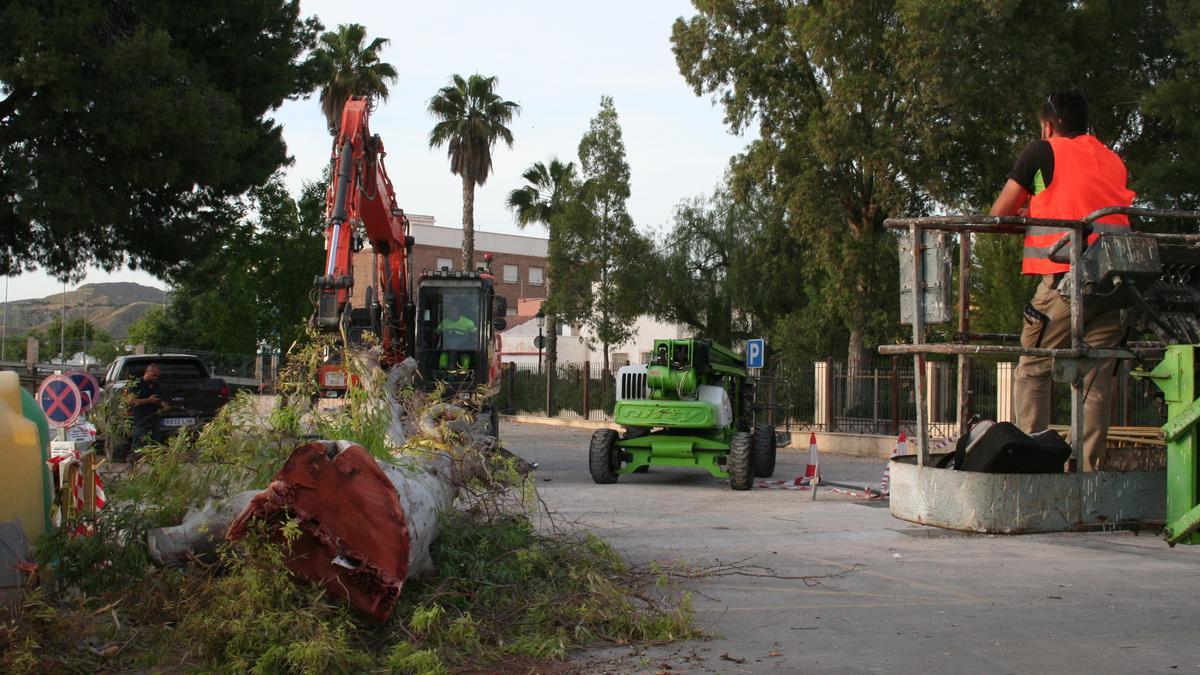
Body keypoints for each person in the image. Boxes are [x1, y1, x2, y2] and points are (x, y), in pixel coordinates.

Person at [989, 91, 1135, 471]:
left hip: (1065, 281)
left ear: (1048, 124)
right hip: (1118, 283)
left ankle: (1029, 469)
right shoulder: (1111, 158)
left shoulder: (1042, 152)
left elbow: (1000, 213)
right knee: (1095, 381)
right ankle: (1086, 474)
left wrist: (1031, 208)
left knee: (1034, 368)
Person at [128, 362, 165, 460]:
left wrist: (162, 408)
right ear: (147, 372)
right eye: (153, 375)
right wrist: (148, 400)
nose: (155, 378)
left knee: (155, 447)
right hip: (142, 420)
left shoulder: (157, 386)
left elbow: (160, 400)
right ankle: (133, 469)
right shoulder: (136, 384)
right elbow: (131, 401)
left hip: (155, 421)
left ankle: (154, 470)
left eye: (157, 376)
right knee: (138, 447)